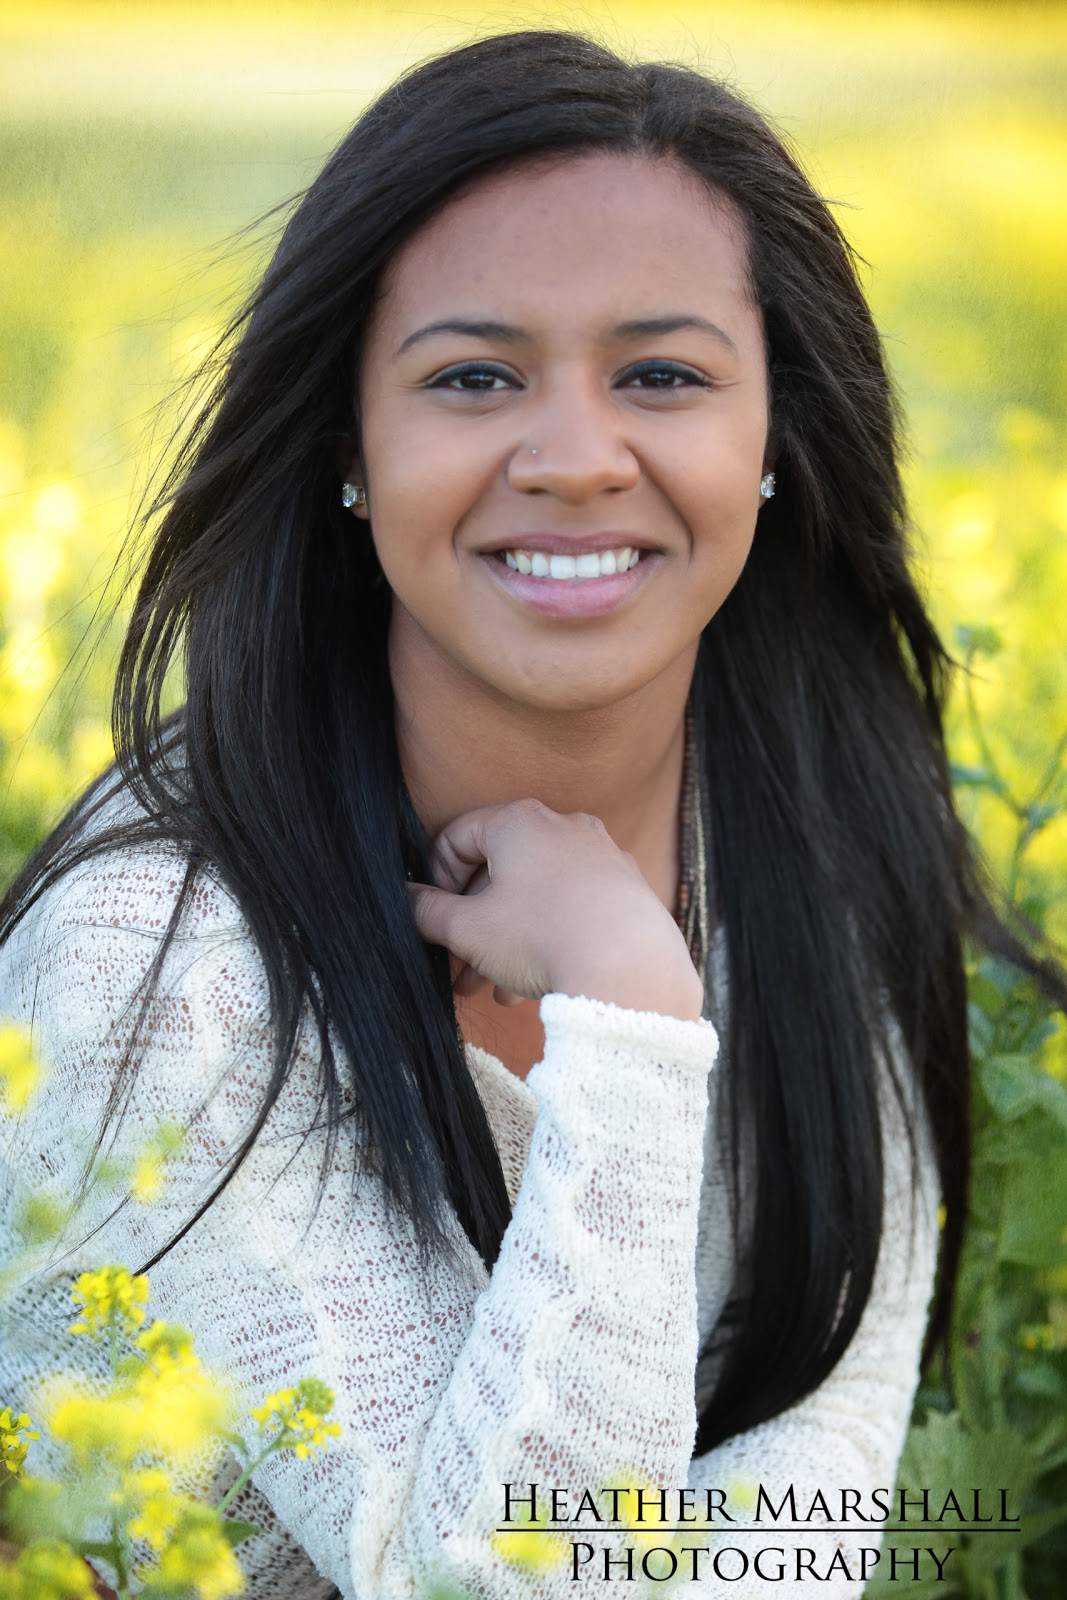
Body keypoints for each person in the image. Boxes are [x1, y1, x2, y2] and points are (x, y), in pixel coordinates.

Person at [1, 27, 1063, 1600]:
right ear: (351, 447)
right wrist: (631, 1024)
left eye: (663, 375)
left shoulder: (818, 858)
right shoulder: (155, 973)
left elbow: (814, 1487)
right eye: (474, 377)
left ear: (775, 440)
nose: (574, 460)